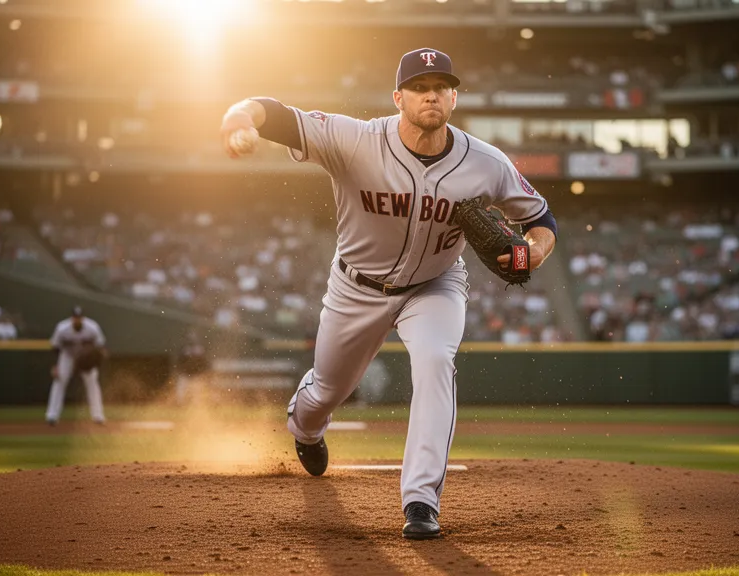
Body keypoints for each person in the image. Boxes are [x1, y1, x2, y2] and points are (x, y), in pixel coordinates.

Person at [220, 47, 558, 539]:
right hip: (356, 286)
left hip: (435, 285)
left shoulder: (486, 162)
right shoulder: (354, 139)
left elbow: (541, 221)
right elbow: (269, 112)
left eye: (441, 87)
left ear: (454, 97)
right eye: (420, 87)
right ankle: (307, 427)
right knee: (327, 392)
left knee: (435, 359)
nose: (431, 95)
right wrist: (235, 121)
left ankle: (421, 500)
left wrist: (532, 254)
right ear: (398, 97)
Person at [45, 306, 107, 426]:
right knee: (59, 382)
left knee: (92, 383)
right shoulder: (62, 328)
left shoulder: (92, 327)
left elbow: (100, 346)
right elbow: (55, 347)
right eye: (75, 317)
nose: (77, 320)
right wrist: (55, 366)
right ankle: (52, 416)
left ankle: (98, 416)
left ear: (83, 318)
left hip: (85, 358)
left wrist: (96, 361)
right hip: (67, 356)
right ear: (71, 318)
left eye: (79, 317)